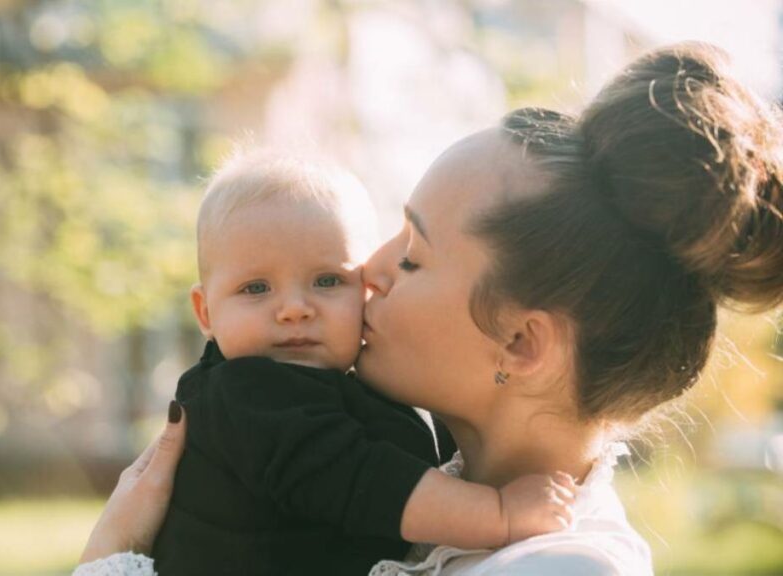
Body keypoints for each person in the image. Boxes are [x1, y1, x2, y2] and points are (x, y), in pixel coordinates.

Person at [74, 42, 783, 575]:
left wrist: (111, 558)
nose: (369, 272)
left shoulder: (558, 566)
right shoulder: (424, 483)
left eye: (412, 256)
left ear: (521, 344)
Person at [151, 152, 576, 576]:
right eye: (256, 288)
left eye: (327, 280)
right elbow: (362, 480)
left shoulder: (354, 385)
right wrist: (498, 514)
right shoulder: (244, 393)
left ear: (364, 287)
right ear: (205, 313)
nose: (295, 309)